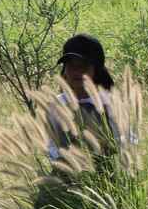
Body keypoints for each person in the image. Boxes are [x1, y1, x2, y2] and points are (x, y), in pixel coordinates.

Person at [47, 33, 120, 162]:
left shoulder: (111, 104)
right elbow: (51, 147)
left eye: (83, 66)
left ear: (96, 70)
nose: (76, 72)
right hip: (65, 174)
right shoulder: (56, 104)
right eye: (71, 66)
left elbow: (125, 145)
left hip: (105, 175)